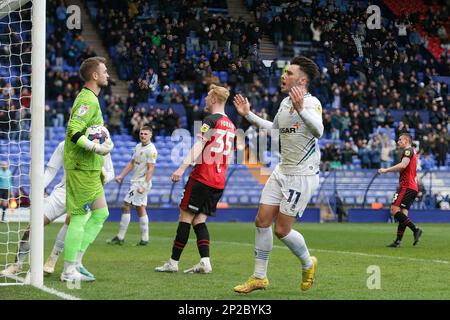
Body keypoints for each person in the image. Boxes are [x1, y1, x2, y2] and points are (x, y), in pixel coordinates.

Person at [233, 56, 322, 294]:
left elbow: (319, 129)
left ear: (302, 80)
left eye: (289, 73)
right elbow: (275, 128)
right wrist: (248, 115)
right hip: (282, 170)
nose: (284, 76)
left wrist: (302, 109)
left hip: (302, 175)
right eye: (284, 72)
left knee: (282, 230)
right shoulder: (285, 103)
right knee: (261, 221)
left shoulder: (312, 103)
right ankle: (259, 277)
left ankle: (307, 262)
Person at [0, 141, 114, 277]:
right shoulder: (64, 144)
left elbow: (110, 171)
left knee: (71, 223)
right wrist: (38, 188)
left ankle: (51, 261)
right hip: (62, 193)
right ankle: (16, 265)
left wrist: (105, 177)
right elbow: (51, 170)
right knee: (34, 225)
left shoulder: (101, 146)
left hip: (84, 194)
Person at [155, 84, 236, 274]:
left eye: (208, 96)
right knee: (199, 220)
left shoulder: (210, 120)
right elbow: (230, 157)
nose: (206, 99)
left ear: (215, 99)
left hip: (202, 177)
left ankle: (173, 263)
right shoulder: (232, 126)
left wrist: (182, 168)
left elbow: (199, 145)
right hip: (218, 181)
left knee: (185, 217)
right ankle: (205, 262)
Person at [61, 56, 114, 282]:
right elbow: (73, 131)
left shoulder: (91, 98)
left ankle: (78, 261)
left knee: (101, 213)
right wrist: (95, 147)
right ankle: (68, 270)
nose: (108, 75)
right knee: (79, 217)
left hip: (91, 169)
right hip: (81, 167)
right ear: (95, 75)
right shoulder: (87, 100)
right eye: (104, 71)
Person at [108, 126, 157, 246]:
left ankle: (120, 237)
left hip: (141, 182)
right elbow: (131, 163)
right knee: (140, 208)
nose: (143, 136)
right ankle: (145, 239)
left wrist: (144, 186)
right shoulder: (138, 146)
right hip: (136, 181)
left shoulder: (152, 150)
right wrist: (121, 176)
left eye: (146, 134)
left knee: (126, 205)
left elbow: (151, 169)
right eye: (141, 134)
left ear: (150, 135)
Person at [378, 133, 423, 248]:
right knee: (403, 214)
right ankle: (398, 241)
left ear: (406, 140)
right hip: (411, 187)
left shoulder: (408, 151)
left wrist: (386, 170)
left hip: (406, 186)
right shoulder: (412, 152)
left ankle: (415, 229)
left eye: (400, 140)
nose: (398, 142)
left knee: (394, 210)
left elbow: (403, 165)